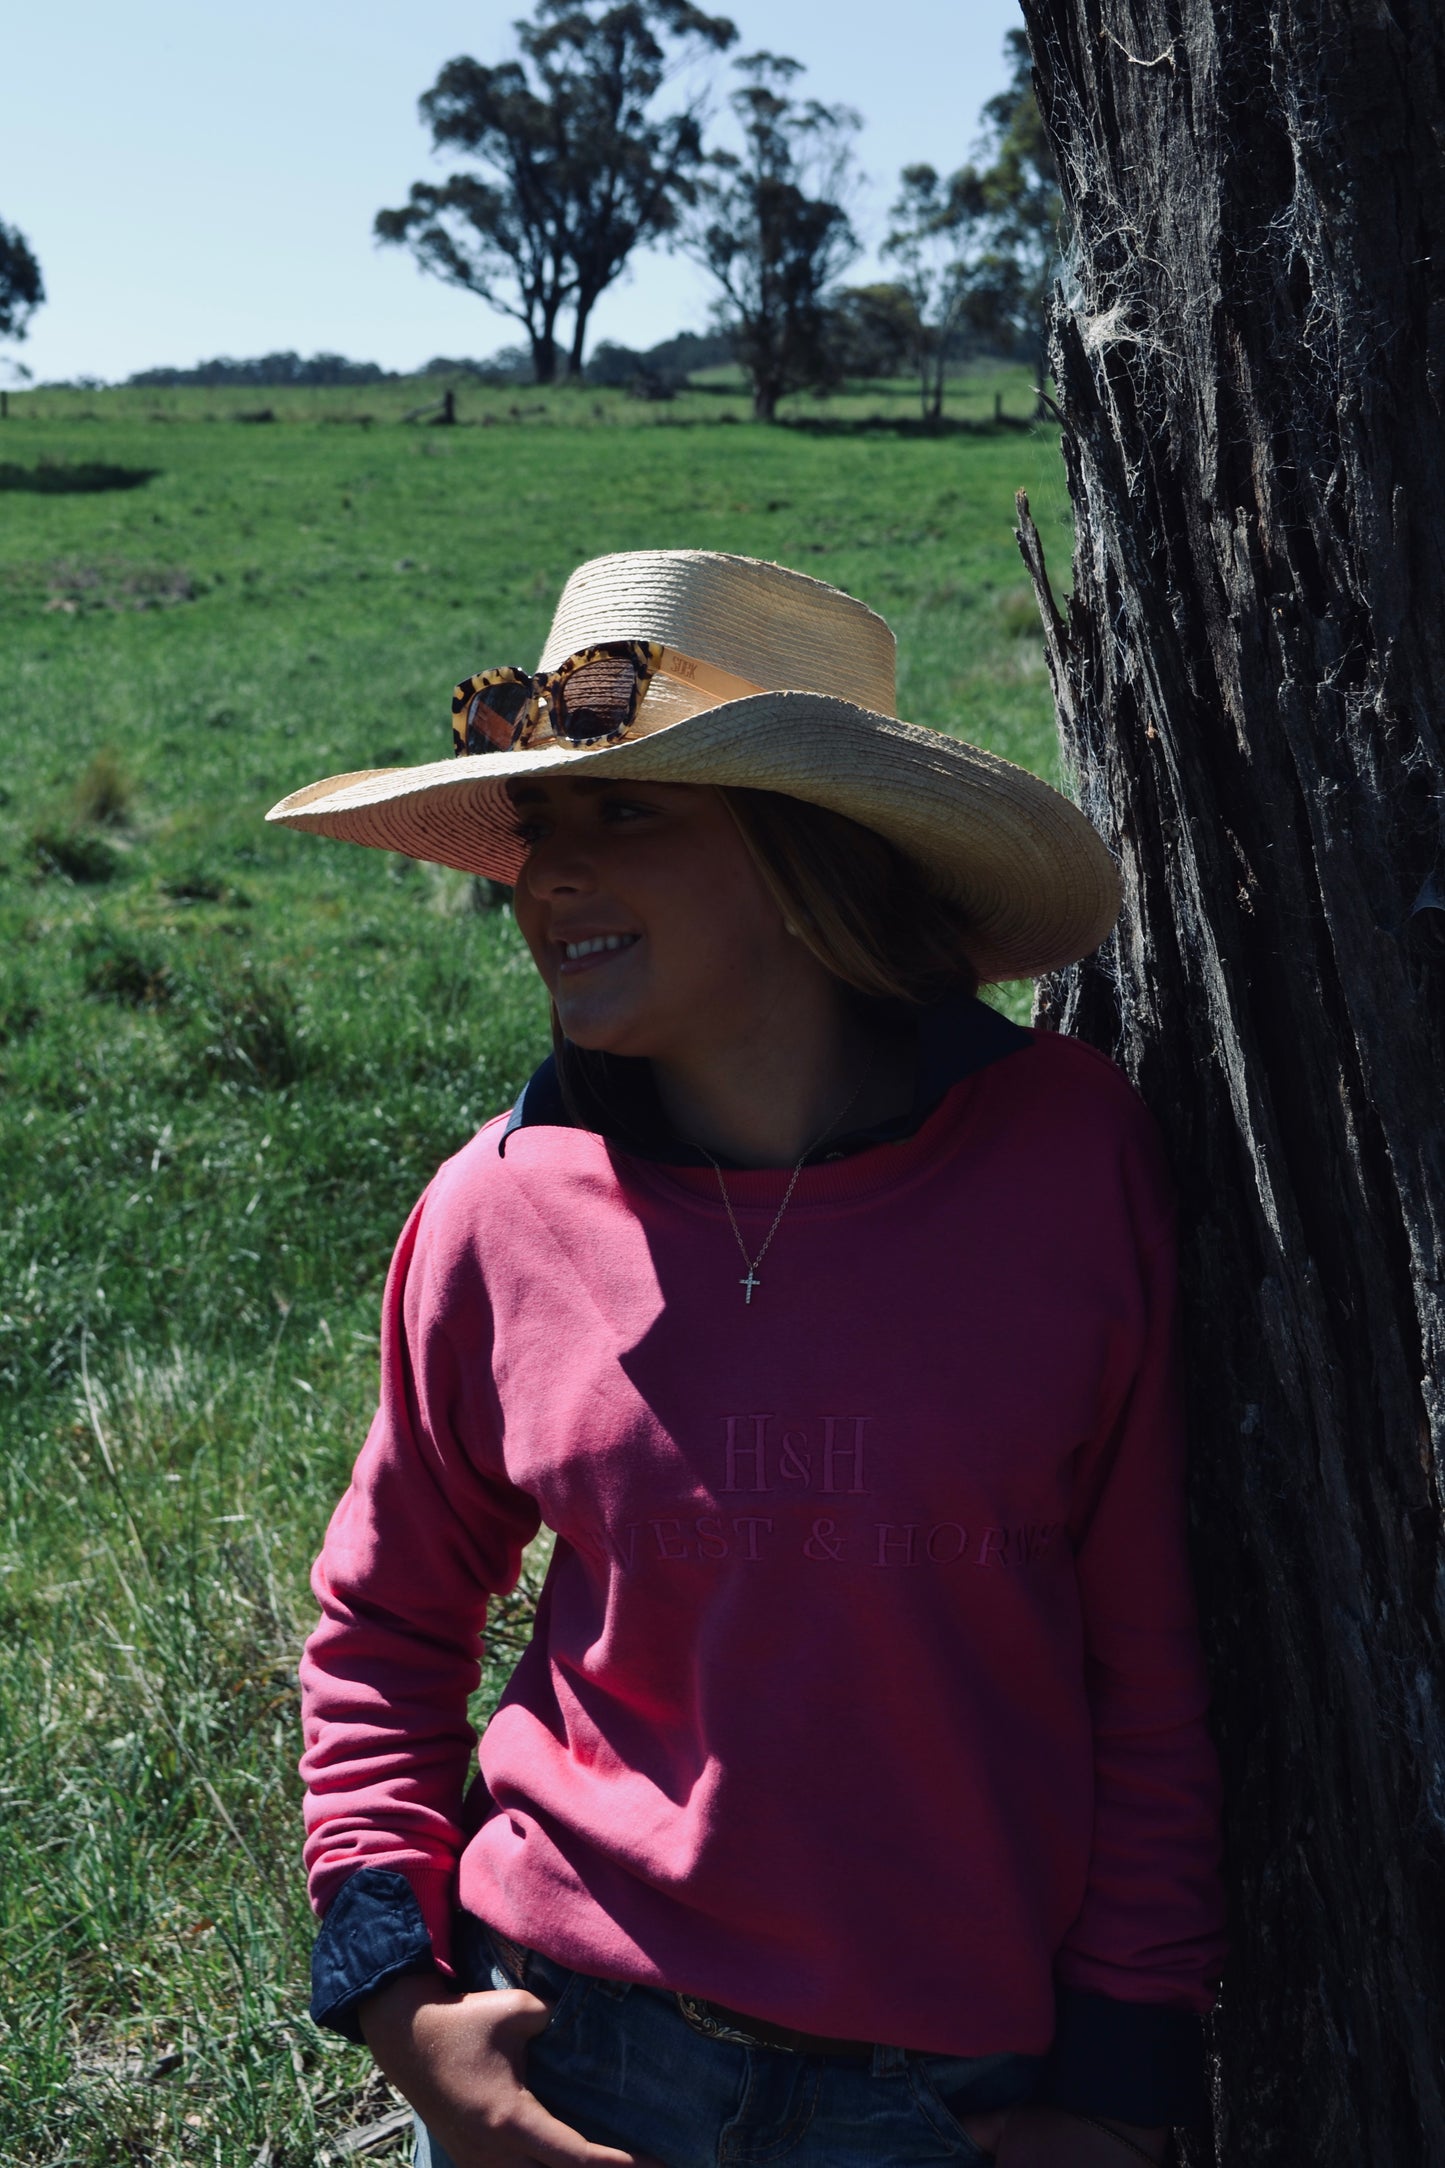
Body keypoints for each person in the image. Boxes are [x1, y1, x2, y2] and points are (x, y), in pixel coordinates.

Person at [270, 550, 1225, 2168]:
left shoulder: (1067, 1164)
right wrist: (401, 2013)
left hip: (943, 2096)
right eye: (534, 839)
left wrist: (1121, 2088)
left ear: (806, 857)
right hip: (563, 2048)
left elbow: (1148, 1651)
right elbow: (381, 1629)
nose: (545, 883)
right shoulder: (495, 1212)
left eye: (625, 817)